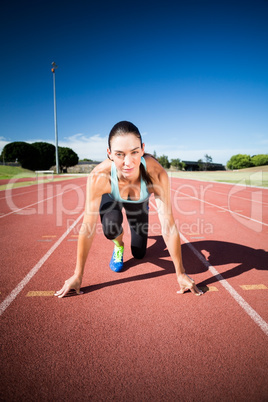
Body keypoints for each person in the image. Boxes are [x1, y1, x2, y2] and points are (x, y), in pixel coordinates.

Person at [55, 121, 203, 298]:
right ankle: (119, 245)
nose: (128, 162)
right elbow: (87, 228)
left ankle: (143, 206)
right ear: (109, 153)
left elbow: (168, 225)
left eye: (134, 152)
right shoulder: (99, 176)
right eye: (119, 154)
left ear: (142, 149)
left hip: (137, 200)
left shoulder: (156, 173)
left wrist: (180, 273)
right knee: (110, 227)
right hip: (111, 197)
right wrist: (77, 275)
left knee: (139, 253)